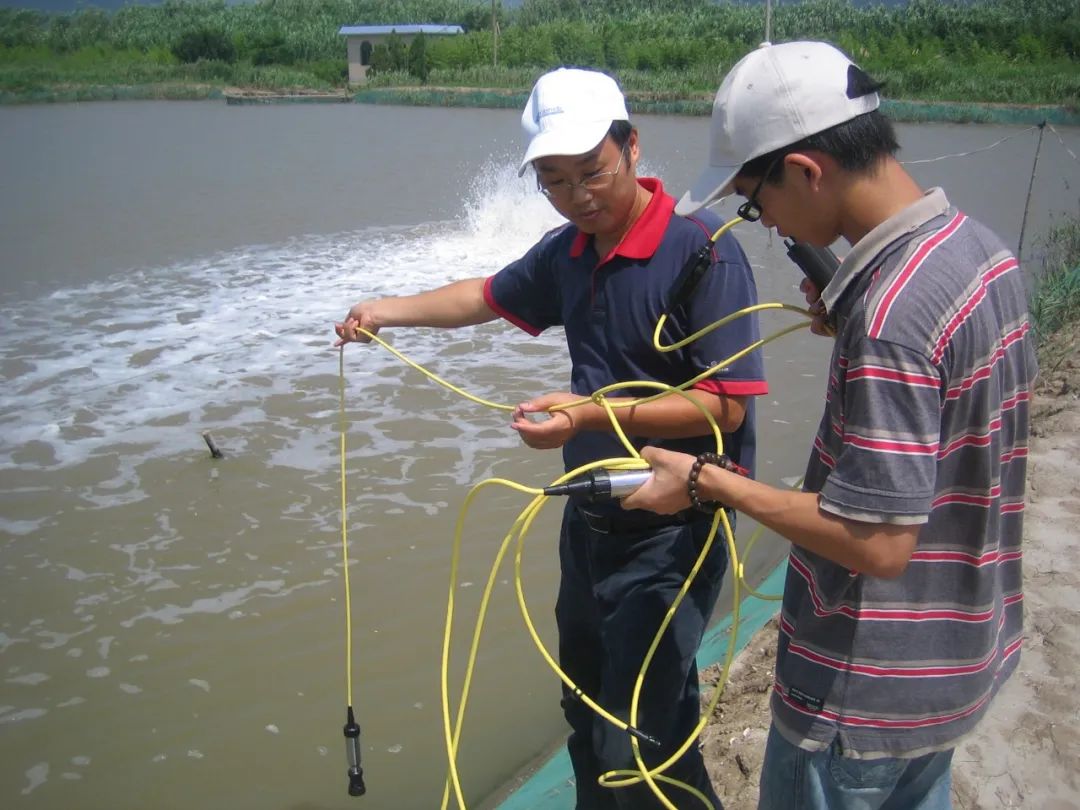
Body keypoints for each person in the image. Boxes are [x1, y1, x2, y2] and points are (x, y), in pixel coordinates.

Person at [336, 67, 768, 808]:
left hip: (676, 524)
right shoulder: (568, 252)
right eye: (554, 181)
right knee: (584, 705)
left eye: (591, 172)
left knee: (644, 735)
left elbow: (723, 408)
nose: (577, 196)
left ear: (633, 147)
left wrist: (588, 414)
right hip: (591, 516)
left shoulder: (704, 252)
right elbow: (486, 295)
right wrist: (384, 311)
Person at [622, 41, 1038, 809]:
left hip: (863, 692)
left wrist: (707, 482)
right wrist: (857, 321)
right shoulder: (981, 256)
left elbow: (875, 541)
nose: (763, 221)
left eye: (755, 200)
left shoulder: (891, 319)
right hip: (955, 657)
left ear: (807, 170)